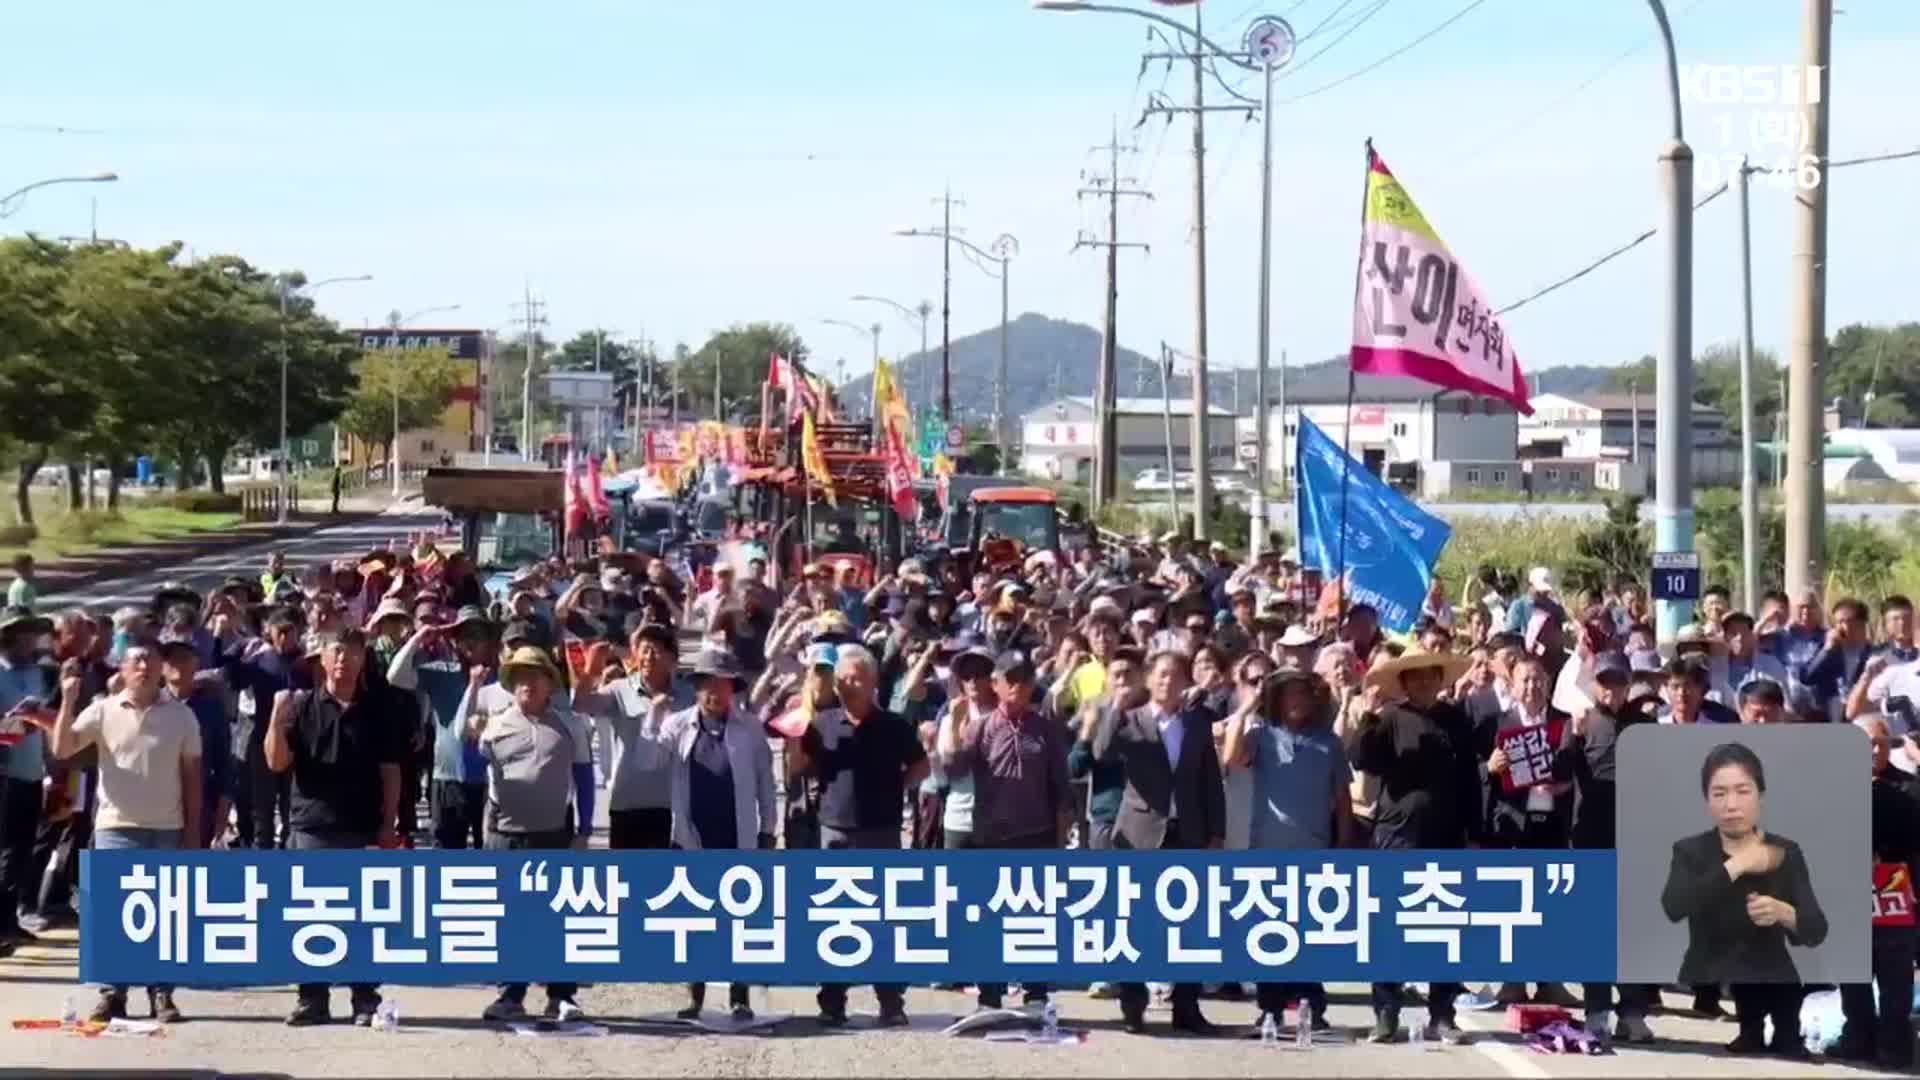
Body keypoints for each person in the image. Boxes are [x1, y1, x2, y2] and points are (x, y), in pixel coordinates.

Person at [48, 643, 202, 1023]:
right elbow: (63, 748)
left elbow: (192, 776)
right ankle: (113, 993)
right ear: (123, 667)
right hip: (116, 826)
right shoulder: (103, 709)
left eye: (151, 660)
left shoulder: (182, 717)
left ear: (162, 668)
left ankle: (161, 993)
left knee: (164, 915)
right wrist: (68, 699)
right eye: (136, 660)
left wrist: (194, 830)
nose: (144, 666)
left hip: (166, 827)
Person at [263, 629, 404, 1026]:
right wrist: (275, 717)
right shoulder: (301, 707)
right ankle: (312, 997)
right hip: (312, 827)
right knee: (312, 915)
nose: (344, 658)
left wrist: (389, 823)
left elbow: (390, 769)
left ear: (363, 659)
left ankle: (363, 997)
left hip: (362, 826)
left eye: (353, 651)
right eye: (336, 651)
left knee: (363, 917)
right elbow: (276, 762)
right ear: (321, 659)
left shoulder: (379, 708)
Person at [1659, 741, 1828, 1057]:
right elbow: (1673, 906)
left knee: (1798, 937)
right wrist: (1736, 867)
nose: (1731, 805)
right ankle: (1750, 1028)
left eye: (1743, 791)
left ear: (1760, 795)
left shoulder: (1785, 851)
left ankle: (1786, 1029)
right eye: (1719, 794)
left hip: (1777, 960)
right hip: (1716, 957)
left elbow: (1817, 927)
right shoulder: (1690, 851)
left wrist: (1785, 912)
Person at [789, 644, 927, 1027]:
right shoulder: (823, 722)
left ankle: (890, 1000)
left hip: (881, 831)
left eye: (856, 678)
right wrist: (795, 739)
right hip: (836, 830)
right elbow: (799, 770)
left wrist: (898, 787)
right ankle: (833, 1001)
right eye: (843, 677)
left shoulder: (893, 725)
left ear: (872, 682)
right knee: (837, 919)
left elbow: (922, 765)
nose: (849, 684)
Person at [1349, 644, 1480, 1045]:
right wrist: (1368, 715)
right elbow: (1361, 759)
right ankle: (1386, 1013)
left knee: (1445, 928)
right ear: (1403, 682)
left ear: (1441, 679)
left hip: (1446, 835)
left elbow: (1470, 780)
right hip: (1396, 836)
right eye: (1416, 676)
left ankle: (1443, 1013)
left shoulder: (1455, 719)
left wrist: (1474, 834)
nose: (1424, 682)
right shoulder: (1389, 718)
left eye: (1431, 674)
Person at [1092, 649, 1225, 1035]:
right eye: (1161, 675)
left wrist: (1216, 831)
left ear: (1186, 683)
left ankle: (1187, 1006)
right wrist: (1115, 708)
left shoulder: (1197, 724)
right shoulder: (1131, 720)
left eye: (1176, 676)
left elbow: (1210, 781)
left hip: (1187, 831)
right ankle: (1133, 1005)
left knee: (1189, 924)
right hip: (1139, 833)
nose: (1168, 682)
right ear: (1150, 680)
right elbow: (1101, 752)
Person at [469, 644, 595, 1023]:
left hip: (554, 833)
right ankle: (511, 993)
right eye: (520, 677)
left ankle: (562, 995)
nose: (527, 683)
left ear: (548, 683)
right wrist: (471, 732)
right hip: (506, 835)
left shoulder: (570, 724)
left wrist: (585, 829)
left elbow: (585, 778)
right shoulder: (494, 725)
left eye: (534, 676)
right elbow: (472, 773)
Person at [1223, 663, 1348, 1035]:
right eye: (1288, 693)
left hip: (1314, 848)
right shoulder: (1262, 735)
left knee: (1308, 932)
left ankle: (1313, 1006)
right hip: (1268, 848)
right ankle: (1270, 1009)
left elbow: (1341, 797)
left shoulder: (1329, 742)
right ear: (1277, 699)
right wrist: (1246, 708)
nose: (1296, 700)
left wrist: (1343, 843)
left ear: (1312, 699)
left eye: (1302, 693)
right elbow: (1231, 757)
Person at [943, 649, 1070, 1013]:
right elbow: (954, 770)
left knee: (1034, 918)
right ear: (995, 685)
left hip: (1037, 836)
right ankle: (990, 995)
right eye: (1008, 679)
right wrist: (954, 725)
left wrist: (1061, 841)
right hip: (992, 837)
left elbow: (1062, 788)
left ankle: (1036, 993)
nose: (1017, 687)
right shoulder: (981, 727)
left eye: (1024, 680)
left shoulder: (1045, 728)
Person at [665, 647, 775, 1022]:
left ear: (733, 688)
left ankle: (738, 994)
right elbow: (651, 754)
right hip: (692, 834)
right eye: (707, 684)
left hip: (737, 832)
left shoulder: (750, 729)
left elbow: (765, 781)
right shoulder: (677, 725)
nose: (714, 691)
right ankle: (694, 996)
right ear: (696, 688)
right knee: (695, 919)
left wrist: (768, 830)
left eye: (722, 684)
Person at [1555, 652, 1658, 1044]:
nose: (1611, 689)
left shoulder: (1646, 726)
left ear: (1629, 683)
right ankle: (1596, 1009)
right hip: (1589, 839)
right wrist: (1575, 741)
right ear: (1593, 684)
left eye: (1618, 681)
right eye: (1604, 681)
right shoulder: (1579, 724)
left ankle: (1633, 1011)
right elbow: (1560, 776)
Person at [1836, 715, 1920, 1069]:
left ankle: (1895, 1045)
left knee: (1895, 978)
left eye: (1879, 743)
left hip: (1896, 896)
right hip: (1847, 896)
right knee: (1853, 976)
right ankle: (1858, 1038)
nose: (1872, 750)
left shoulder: (1910, 789)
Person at [387, 606, 496, 849]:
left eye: (478, 634)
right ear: (454, 640)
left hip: (490, 781)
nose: (471, 641)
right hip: (446, 779)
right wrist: (418, 639)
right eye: (464, 634)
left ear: (488, 642)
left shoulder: (500, 678)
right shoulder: (440, 672)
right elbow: (394, 676)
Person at [572, 621, 690, 849]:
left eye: (656, 650)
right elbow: (580, 705)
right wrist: (590, 671)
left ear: (671, 658)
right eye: (643, 650)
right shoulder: (620, 689)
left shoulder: (687, 694)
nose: (648, 656)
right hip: (627, 801)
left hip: (672, 804)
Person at [0, 606, 54, 947]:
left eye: (32, 632)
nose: (29, 639)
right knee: (5, 850)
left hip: (33, 771)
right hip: (5, 774)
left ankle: (10, 919)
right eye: (22, 632)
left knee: (22, 849)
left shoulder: (37, 673)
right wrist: (18, 722)